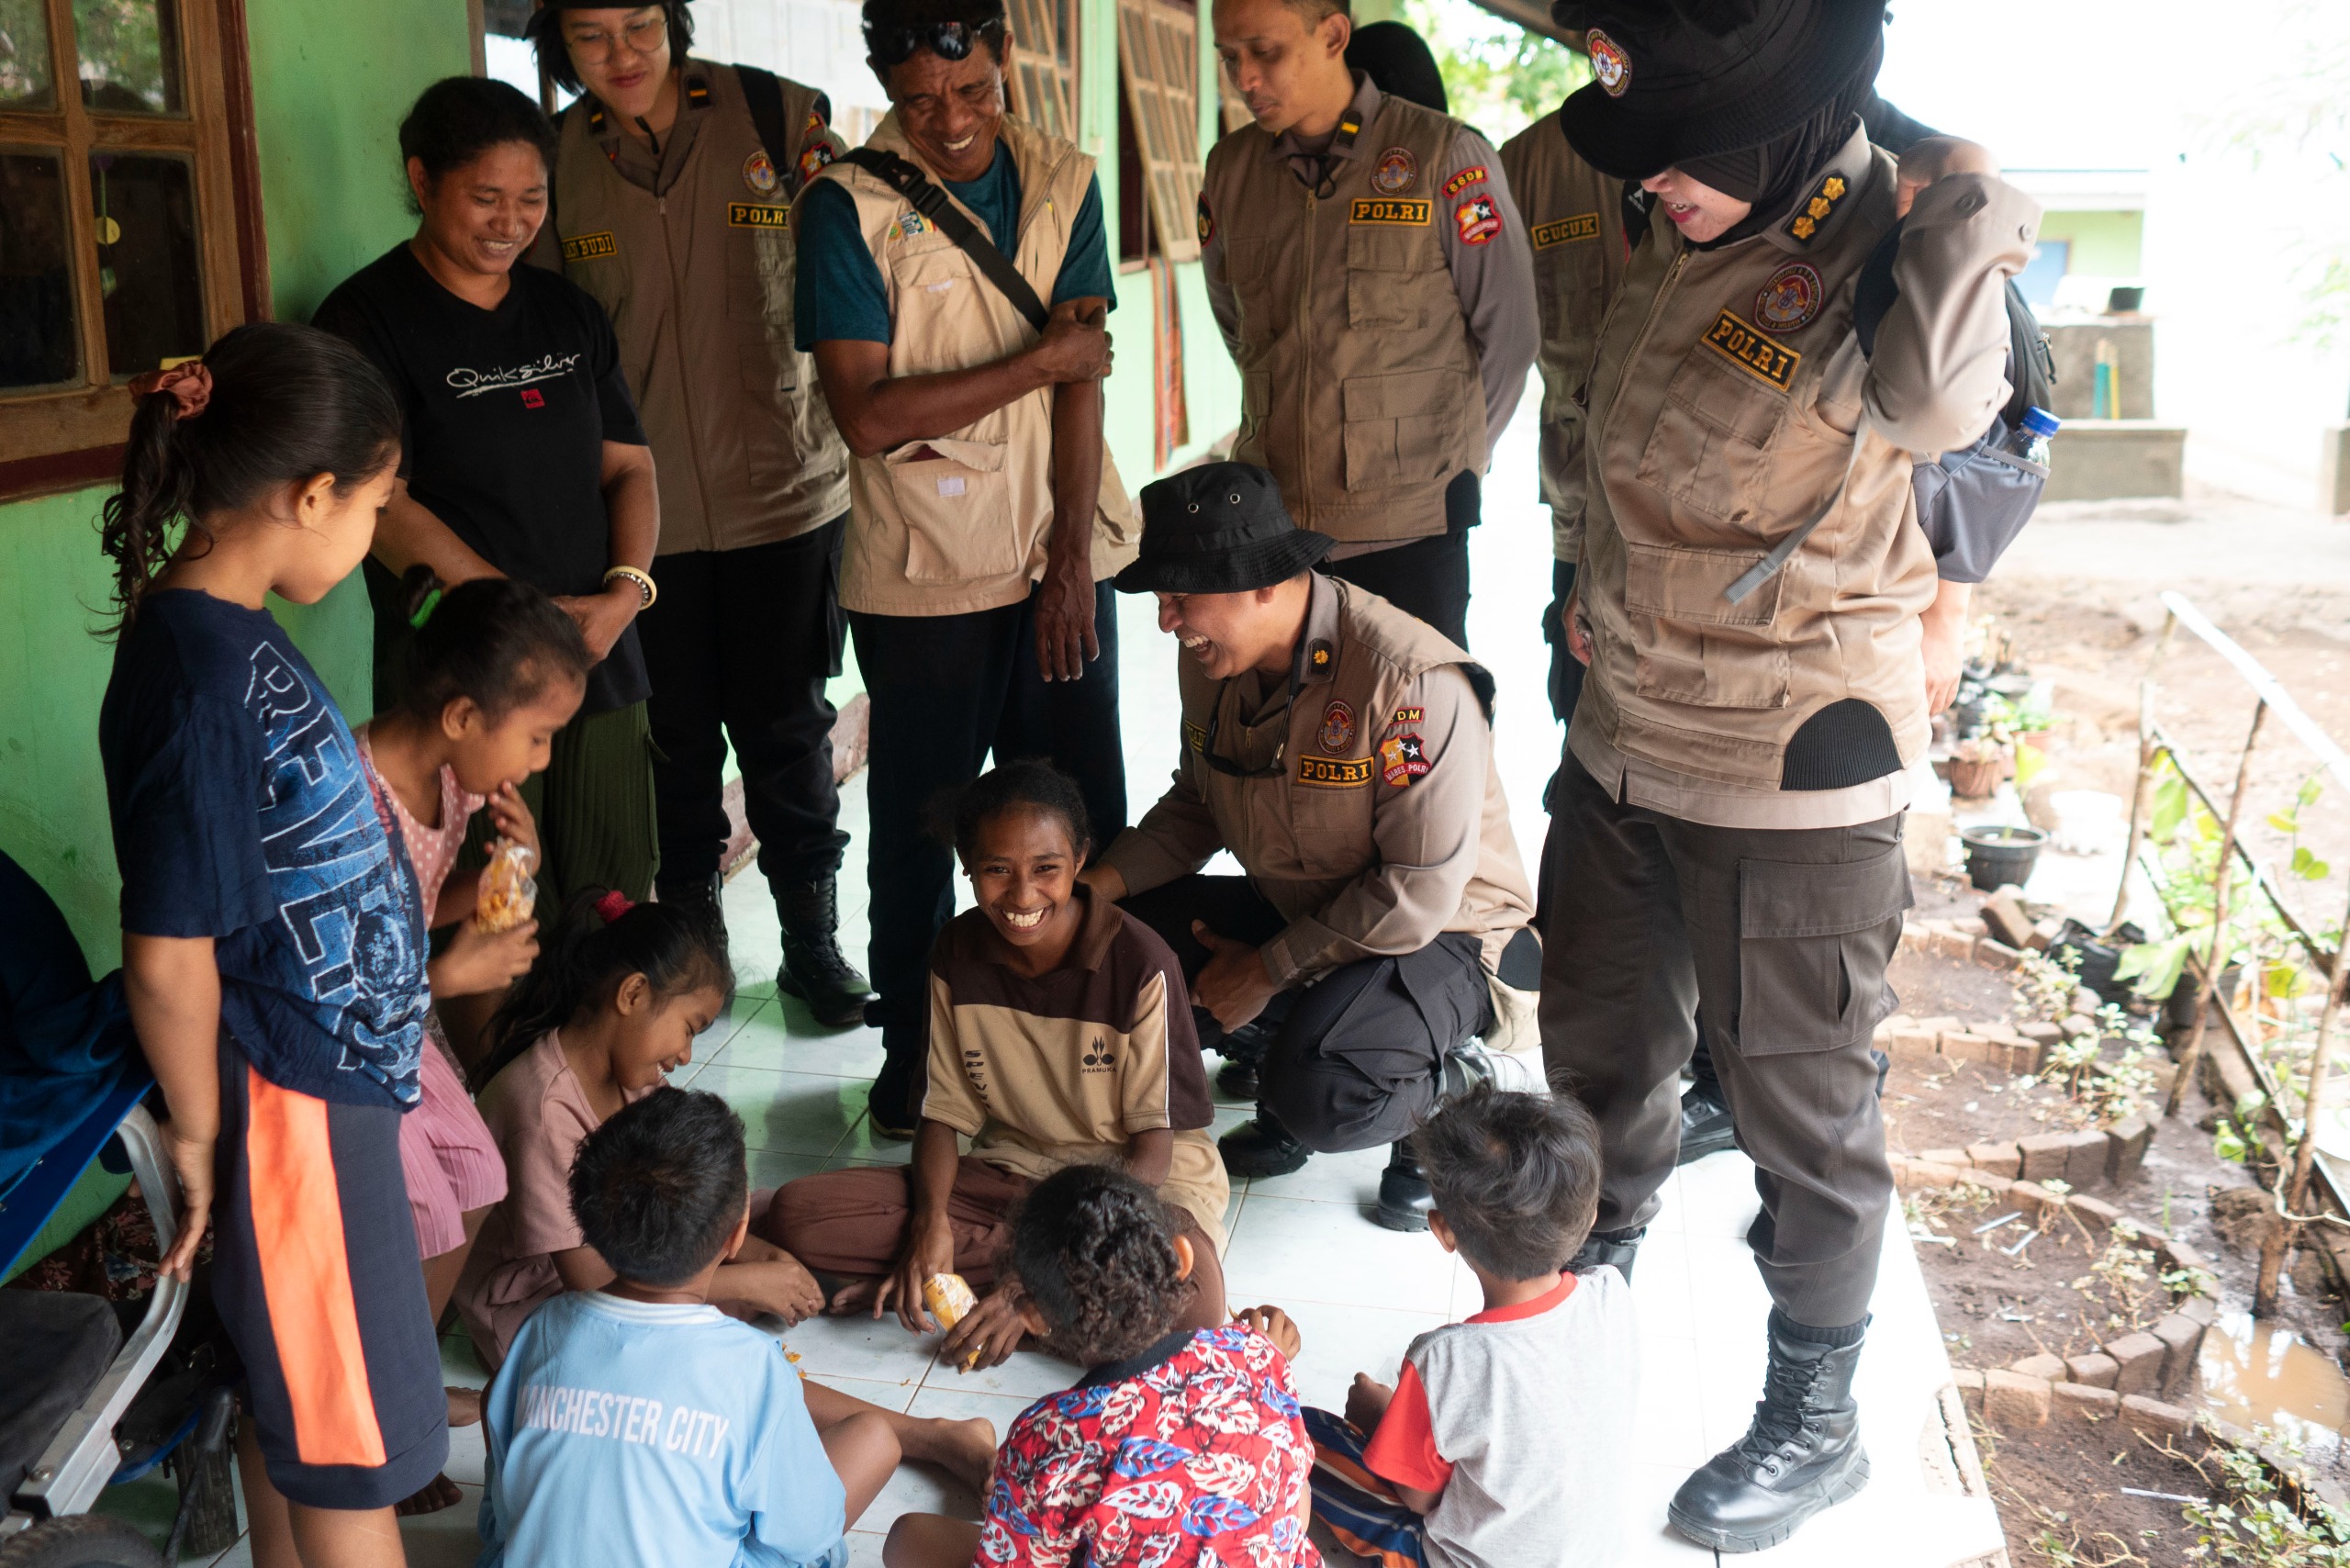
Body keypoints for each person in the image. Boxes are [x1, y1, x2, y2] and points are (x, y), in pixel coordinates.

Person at [1537, 1, 2039, 1551]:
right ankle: (1585, 1299)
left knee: (1801, 1116)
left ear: (1779, 131)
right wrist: (1582, 585)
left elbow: (1945, 408)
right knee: (1600, 1051)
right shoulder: (1683, 224)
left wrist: (1964, 183)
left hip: (1791, 764)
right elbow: (1603, 430)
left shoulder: (1891, 253)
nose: (1650, 181)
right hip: (1626, 729)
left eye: (1680, 155)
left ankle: (1816, 1423)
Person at [95, 323, 443, 1567]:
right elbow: (168, 951)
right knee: (349, 1451)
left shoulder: (228, 627)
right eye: (376, 508)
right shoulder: (196, 674)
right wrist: (199, 1130)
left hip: (319, 1080)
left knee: (307, 1410)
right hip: (285, 1095)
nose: (373, 535)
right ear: (310, 495)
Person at [797, 0, 1141, 1136]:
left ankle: (1089, 1036)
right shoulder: (846, 206)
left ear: (1005, 57)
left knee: (1082, 811)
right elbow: (866, 414)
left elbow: (1084, 377)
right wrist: (1037, 360)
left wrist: (1071, 558)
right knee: (923, 824)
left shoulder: (1064, 181)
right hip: (926, 573)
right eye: (918, 99)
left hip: (1055, 555)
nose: (949, 120)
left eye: (972, 90)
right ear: (884, 85)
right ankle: (913, 1048)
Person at [1082, 464, 1543, 1234]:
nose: (1167, 621)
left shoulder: (1406, 685)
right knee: (1112, 949)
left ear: (1263, 583)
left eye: (1181, 597)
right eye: (1162, 599)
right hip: (1306, 906)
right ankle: (1296, 1040)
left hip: (1444, 938)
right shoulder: (1213, 660)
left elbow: (1416, 894)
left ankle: (1447, 1089)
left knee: (1325, 1093)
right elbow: (1196, 805)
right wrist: (1093, 889)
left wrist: (1265, 970)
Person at [526, 3, 872, 1025]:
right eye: (591, 37)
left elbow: (863, 271)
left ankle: (813, 945)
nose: (621, 54)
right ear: (561, 47)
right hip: (642, 526)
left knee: (788, 732)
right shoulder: (556, 164)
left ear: (672, 19)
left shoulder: (778, 118)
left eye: (639, 24)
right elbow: (546, 343)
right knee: (671, 747)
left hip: (787, 500)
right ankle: (694, 957)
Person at [312, 76, 663, 920]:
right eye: (485, 198)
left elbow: (630, 468)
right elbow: (382, 504)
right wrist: (518, 616)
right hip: (464, 672)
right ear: (422, 180)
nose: (511, 222)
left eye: (531, 199)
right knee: (487, 905)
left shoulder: (568, 312)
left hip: (597, 651)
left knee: (610, 897)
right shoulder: (364, 321)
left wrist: (625, 594)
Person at [765, 762, 1231, 1369]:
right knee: (798, 1215)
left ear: (1080, 859)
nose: (1022, 896)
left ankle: (1015, 1307)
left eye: (1046, 869)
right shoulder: (957, 953)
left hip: (1134, 1192)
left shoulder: (1141, 963)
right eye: (997, 870)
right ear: (966, 864)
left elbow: (1152, 1156)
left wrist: (1028, 1285)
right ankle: (1044, 1302)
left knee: (1195, 1306)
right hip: (1014, 1173)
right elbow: (941, 1114)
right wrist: (930, 1225)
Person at [479, 1087, 996, 1566]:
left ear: (586, 1222)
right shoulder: (750, 1364)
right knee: (875, 1440)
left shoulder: (543, 1329)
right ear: (738, 1232)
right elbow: (805, 1533)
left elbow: (502, 1507)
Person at [354, 568, 591, 1516]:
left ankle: (402, 1382)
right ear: (461, 715)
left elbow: (417, 905)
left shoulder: (453, 784)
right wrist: (449, 978)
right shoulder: (351, 798)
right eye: (535, 737)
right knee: (421, 1209)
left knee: (478, 1176)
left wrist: (509, 867)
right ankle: (383, 1422)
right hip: (341, 1044)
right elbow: (325, 970)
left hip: (396, 1026)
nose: (540, 760)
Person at [1200, 0, 1538, 646]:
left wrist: (1454, 461)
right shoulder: (1231, 171)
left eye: (1265, 52)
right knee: (1295, 707)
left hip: (1410, 530)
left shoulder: (1443, 157)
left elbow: (1511, 332)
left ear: (1332, 35)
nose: (1243, 78)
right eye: (1228, 57)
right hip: (1279, 525)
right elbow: (1239, 324)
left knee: (1415, 706)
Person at [453, 895, 827, 1369]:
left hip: (622, 1258)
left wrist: (761, 1256)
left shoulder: (632, 1077)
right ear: (632, 994)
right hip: (537, 1313)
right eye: (689, 1029)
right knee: (703, 1343)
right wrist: (745, 1280)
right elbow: (590, 1282)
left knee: (763, 1211)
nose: (686, 1055)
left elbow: (687, 1193)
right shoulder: (541, 1108)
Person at [881, 1164, 1314, 1568]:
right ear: (1182, 1259)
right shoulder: (1257, 1352)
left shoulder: (1048, 1436)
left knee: (907, 1538)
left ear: (1034, 1318)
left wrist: (1022, 1499)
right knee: (1292, 1488)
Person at [1303, 1086, 1634, 1568]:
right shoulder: (1611, 1294)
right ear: (1589, 1220)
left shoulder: (1445, 1361)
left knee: (1301, 1431)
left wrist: (1379, 1420)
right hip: (1591, 1555)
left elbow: (1419, 1499)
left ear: (1443, 1229)